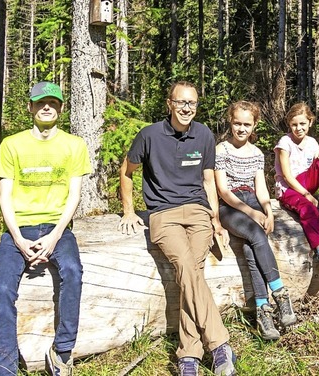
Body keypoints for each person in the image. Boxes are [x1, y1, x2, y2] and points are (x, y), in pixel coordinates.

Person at [118, 81, 237, 376]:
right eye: (181, 103)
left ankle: (188, 357)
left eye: (192, 104)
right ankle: (220, 345)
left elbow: (208, 180)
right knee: (186, 266)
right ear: (169, 103)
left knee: (191, 274)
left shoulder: (204, 134)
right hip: (164, 214)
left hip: (198, 213)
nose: (187, 109)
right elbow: (126, 171)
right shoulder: (149, 135)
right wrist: (129, 211)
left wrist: (216, 219)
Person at [0, 82, 92, 376]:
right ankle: (6, 368)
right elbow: (4, 197)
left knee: (73, 272)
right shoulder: (12, 145)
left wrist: (55, 236)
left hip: (57, 229)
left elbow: (74, 195)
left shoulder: (74, 145)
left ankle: (62, 351)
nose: (46, 106)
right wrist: (20, 241)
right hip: (17, 230)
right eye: (40, 102)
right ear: (30, 107)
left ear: (61, 108)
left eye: (53, 102)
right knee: (3, 291)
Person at [214, 101, 297, 341]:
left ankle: (263, 309)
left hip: (251, 201)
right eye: (237, 123)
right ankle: (280, 292)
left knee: (252, 248)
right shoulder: (222, 149)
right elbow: (223, 190)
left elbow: (260, 188)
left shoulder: (257, 153)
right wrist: (253, 214)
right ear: (230, 122)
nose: (241, 129)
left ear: (254, 125)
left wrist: (268, 211)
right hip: (229, 206)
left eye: (246, 124)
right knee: (256, 235)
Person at [274, 103, 319, 275]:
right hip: (289, 188)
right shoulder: (285, 143)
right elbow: (287, 176)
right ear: (289, 124)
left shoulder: (312, 142)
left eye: (302, 124)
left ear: (310, 122)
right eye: (294, 124)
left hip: (307, 182)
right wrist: (307, 194)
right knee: (307, 208)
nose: (298, 128)